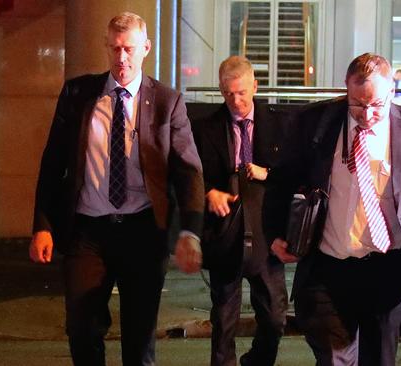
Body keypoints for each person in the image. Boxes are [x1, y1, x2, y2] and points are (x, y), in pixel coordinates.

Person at [28, 12, 204, 366]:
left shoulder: (167, 102)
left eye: (129, 49)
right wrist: (43, 226)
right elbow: (53, 163)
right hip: (87, 231)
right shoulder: (79, 94)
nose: (121, 58)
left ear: (145, 49)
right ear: (106, 48)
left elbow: (188, 171)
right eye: (114, 49)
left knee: (139, 340)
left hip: (142, 230)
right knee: (82, 329)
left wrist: (190, 231)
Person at [267, 53, 401, 366]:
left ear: (392, 91)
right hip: (329, 266)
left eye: (376, 104)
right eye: (357, 103)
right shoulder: (315, 123)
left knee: (378, 359)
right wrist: (275, 233)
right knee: (334, 358)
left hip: (389, 270)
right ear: (346, 90)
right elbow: (281, 180)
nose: (366, 114)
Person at [192, 56, 289, 366]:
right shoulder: (205, 128)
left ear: (255, 87)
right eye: (229, 93)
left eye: (242, 92)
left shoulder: (278, 124)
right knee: (223, 321)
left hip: (266, 233)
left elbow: (294, 173)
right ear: (221, 90)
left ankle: (256, 361)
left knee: (274, 317)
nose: (236, 100)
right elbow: (189, 175)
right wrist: (209, 192)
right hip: (225, 233)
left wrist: (268, 173)